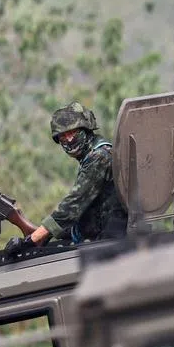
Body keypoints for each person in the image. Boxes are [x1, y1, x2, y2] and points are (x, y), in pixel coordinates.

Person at [24, 102, 128, 247]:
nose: (69, 139)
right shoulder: (93, 155)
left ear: (86, 129)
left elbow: (73, 204)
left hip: (111, 241)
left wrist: (31, 239)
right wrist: (53, 232)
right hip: (101, 238)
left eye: (73, 132)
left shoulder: (99, 157)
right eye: (63, 136)